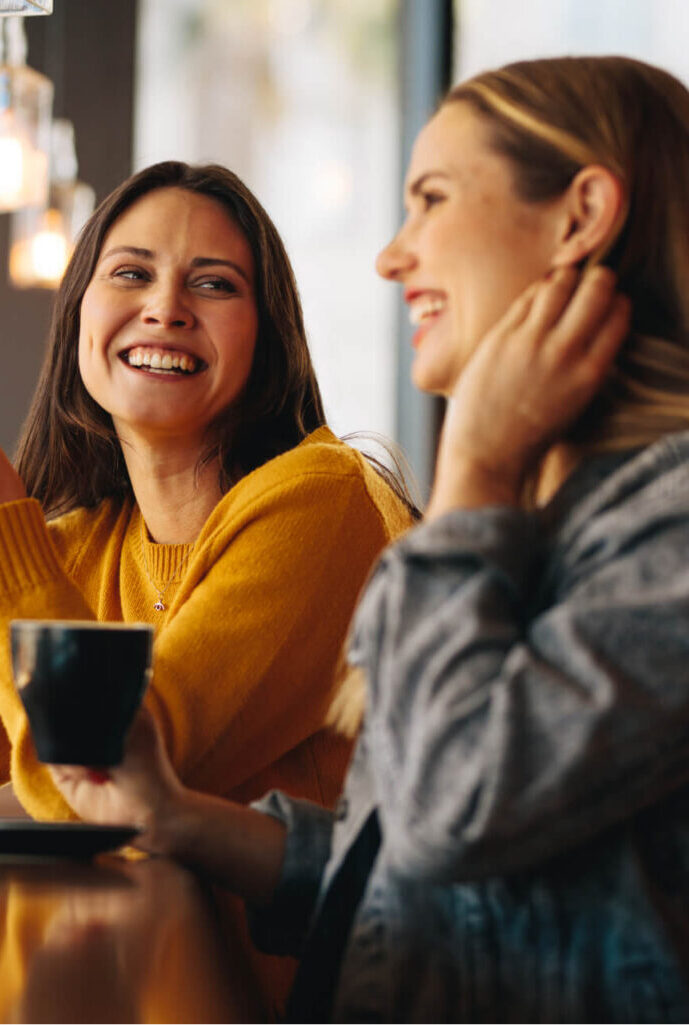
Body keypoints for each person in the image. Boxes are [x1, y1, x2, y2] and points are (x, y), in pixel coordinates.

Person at [51, 56, 689, 1021]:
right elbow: (424, 886)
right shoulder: (556, 517)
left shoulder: (667, 525)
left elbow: (452, 809)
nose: (392, 256)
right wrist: (179, 819)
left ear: (581, 215)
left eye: (430, 200)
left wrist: (471, 463)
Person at [0, 161, 414, 822]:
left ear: (266, 339)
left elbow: (110, 782)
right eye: (131, 274)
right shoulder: (80, 551)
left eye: (213, 284)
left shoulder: (322, 500)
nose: (164, 308)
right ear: (76, 319)